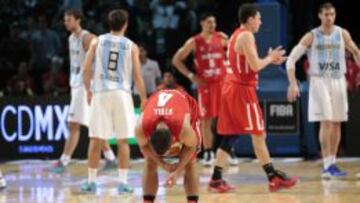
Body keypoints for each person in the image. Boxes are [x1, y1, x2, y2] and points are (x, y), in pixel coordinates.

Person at [209, 4, 298, 193]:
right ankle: (273, 177)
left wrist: (269, 59)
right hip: (241, 91)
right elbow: (256, 66)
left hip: (231, 88)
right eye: (258, 18)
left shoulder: (235, 35)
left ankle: (216, 179)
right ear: (250, 19)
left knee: (230, 136)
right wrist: (270, 58)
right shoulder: (247, 36)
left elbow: (249, 63)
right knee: (259, 134)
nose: (261, 21)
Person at [286, 2, 360, 178]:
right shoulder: (311, 36)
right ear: (320, 16)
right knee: (326, 122)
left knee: (336, 122)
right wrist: (293, 83)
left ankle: (332, 163)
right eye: (326, 14)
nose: (329, 18)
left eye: (332, 14)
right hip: (320, 81)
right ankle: (326, 164)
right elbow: (291, 60)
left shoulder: (342, 33)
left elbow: (356, 51)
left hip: (338, 80)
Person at [81, 9, 147, 193]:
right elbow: (138, 76)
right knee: (123, 141)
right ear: (125, 24)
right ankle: (123, 183)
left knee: (95, 140)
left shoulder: (97, 41)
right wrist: (143, 98)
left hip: (100, 93)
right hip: (121, 94)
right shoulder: (131, 46)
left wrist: (88, 90)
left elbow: (86, 70)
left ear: (108, 24)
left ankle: (92, 183)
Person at [47, 9, 117, 174]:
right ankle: (111, 158)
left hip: (87, 87)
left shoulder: (88, 37)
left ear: (78, 20)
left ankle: (64, 161)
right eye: (65, 20)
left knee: (73, 125)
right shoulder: (71, 38)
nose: (66, 23)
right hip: (77, 86)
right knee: (94, 125)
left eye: (69, 20)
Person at [172, 13, 230, 166]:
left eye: (214, 22)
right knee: (206, 121)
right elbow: (176, 60)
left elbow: (235, 54)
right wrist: (191, 76)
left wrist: (230, 69)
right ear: (202, 23)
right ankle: (208, 152)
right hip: (206, 86)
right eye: (210, 22)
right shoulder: (194, 41)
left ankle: (228, 150)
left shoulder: (222, 37)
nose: (213, 25)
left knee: (225, 118)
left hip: (222, 84)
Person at [135, 89, 200, 203]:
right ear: (150, 136)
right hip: (157, 100)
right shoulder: (141, 127)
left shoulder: (183, 129)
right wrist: (162, 164)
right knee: (150, 161)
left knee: (190, 162)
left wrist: (177, 172)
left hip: (185, 103)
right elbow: (145, 146)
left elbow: (191, 147)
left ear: (173, 140)